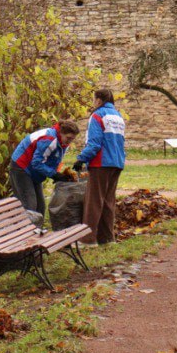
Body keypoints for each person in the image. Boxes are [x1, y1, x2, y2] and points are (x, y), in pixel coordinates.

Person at [73, 88, 127, 244]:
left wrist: (81, 159)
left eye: (93, 99)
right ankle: (107, 238)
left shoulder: (97, 115)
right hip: (117, 162)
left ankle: (87, 240)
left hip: (100, 163)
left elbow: (94, 143)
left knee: (94, 201)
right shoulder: (118, 117)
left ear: (99, 100)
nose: (93, 102)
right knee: (108, 201)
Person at [8, 121, 79, 215]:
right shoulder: (49, 139)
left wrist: (57, 174)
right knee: (30, 205)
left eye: (72, 139)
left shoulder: (62, 142)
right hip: (21, 167)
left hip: (33, 170)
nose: (69, 141)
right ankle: (24, 228)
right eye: (68, 138)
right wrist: (54, 175)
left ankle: (37, 229)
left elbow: (54, 159)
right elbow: (37, 162)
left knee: (40, 207)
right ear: (61, 132)